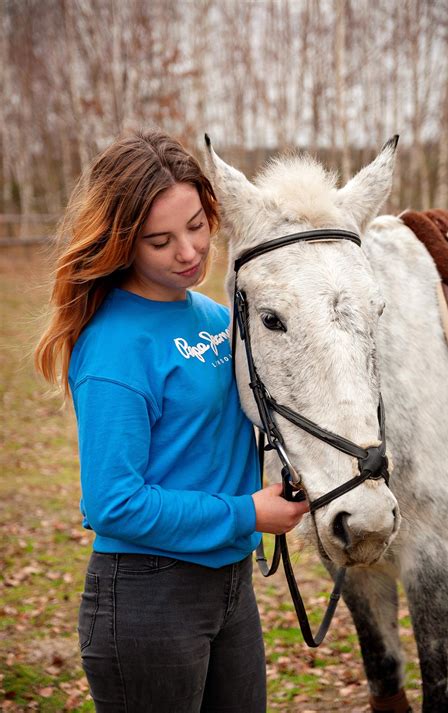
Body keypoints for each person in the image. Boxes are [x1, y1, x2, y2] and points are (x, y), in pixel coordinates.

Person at [35, 129, 308, 713]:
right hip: (149, 595)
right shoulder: (114, 348)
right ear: (123, 242)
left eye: (197, 226)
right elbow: (113, 503)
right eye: (159, 241)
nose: (188, 252)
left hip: (231, 584)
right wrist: (248, 512)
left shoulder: (217, 317)